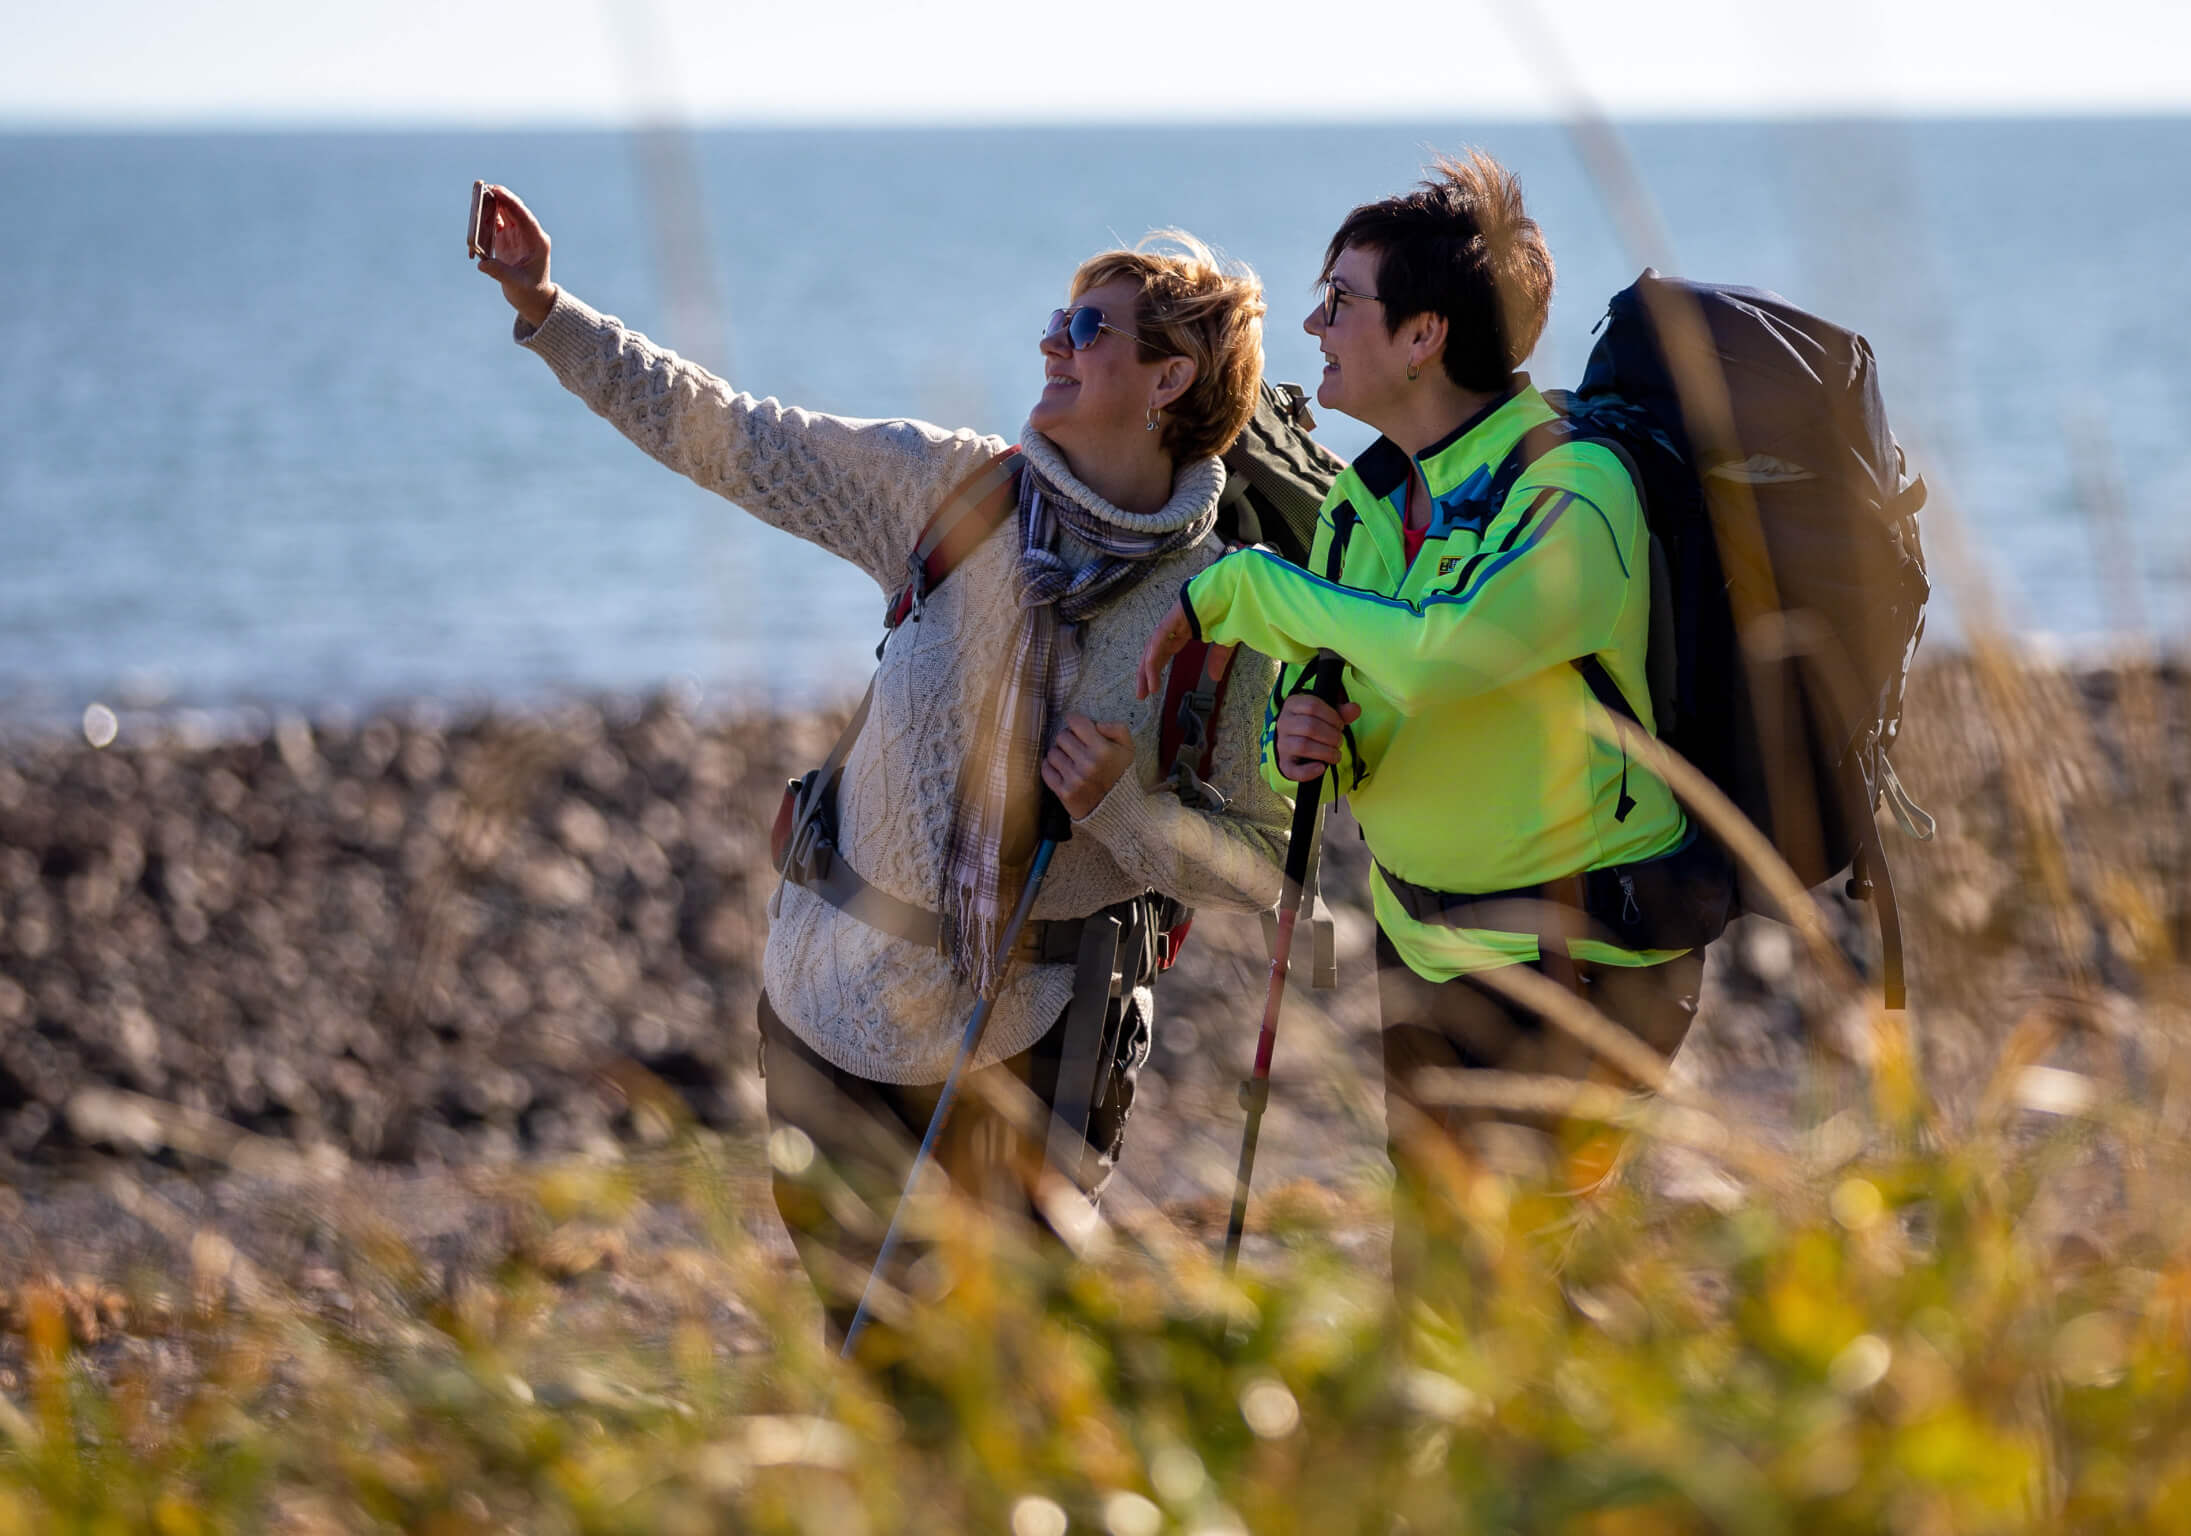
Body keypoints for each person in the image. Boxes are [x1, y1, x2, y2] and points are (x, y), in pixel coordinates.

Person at [470, 186, 1289, 1339]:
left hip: (1030, 1044)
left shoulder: (1228, 605)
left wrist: (1130, 813)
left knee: (996, 1379)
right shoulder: (949, 491)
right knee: (870, 1363)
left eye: (1088, 329)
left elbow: (1259, 869)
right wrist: (548, 310)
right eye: (1056, 322)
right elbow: (730, 437)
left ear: (1170, 380)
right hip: (825, 1004)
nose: (1051, 345)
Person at [1138, 153, 1725, 1277]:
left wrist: (1246, 588)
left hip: (1584, 953)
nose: (1312, 323)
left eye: (1341, 301)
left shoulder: (1575, 487)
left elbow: (1449, 656)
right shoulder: (1366, 499)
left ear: (1425, 335)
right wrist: (1308, 739)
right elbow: (1358, 692)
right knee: (1440, 1290)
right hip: (1421, 945)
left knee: (1522, 1282)